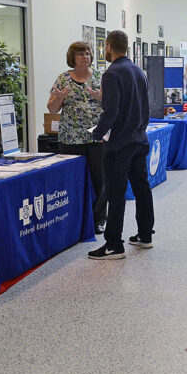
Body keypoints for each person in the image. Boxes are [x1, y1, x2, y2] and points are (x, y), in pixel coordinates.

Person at [88, 30, 154, 260]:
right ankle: (145, 235)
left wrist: (97, 133)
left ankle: (114, 244)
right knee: (141, 188)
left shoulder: (112, 73)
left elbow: (111, 111)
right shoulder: (138, 70)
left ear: (108, 46)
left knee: (115, 194)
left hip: (120, 144)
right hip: (139, 138)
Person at [47, 41, 106, 235]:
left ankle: (99, 219)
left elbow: (111, 104)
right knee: (71, 178)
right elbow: (52, 109)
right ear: (72, 57)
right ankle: (72, 216)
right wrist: (61, 97)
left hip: (96, 137)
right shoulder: (63, 79)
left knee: (100, 179)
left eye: (88, 53)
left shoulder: (99, 76)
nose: (85, 57)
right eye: (81, 54)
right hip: (70, 137)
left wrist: (99, 98)